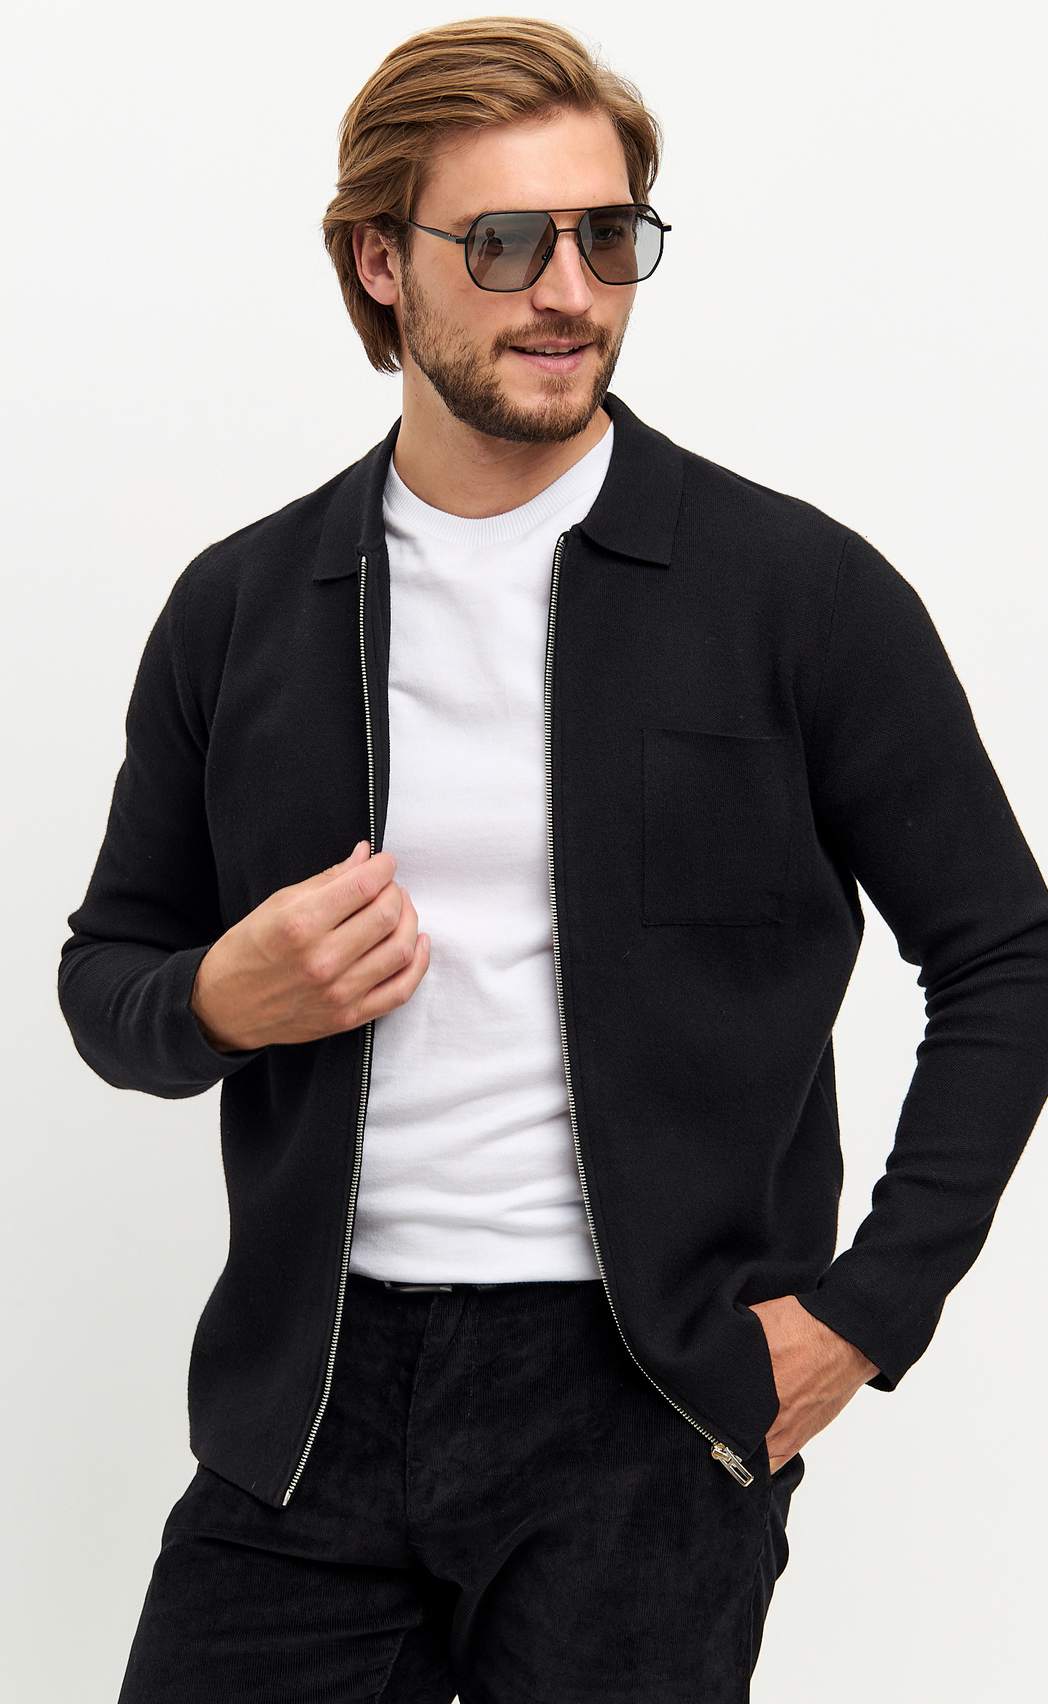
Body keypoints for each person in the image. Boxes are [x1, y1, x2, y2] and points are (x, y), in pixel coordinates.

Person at [58, 16, 1048, 1704]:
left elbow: (1004, 950)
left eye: (609, 236)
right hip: (309, 1399)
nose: (570, 292)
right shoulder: (242, 609)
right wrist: (221, 998)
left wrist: (868, 1313)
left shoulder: (795, 593)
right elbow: (108, 981)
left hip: (642, 1403)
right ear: (382, 262)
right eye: (507, 242)